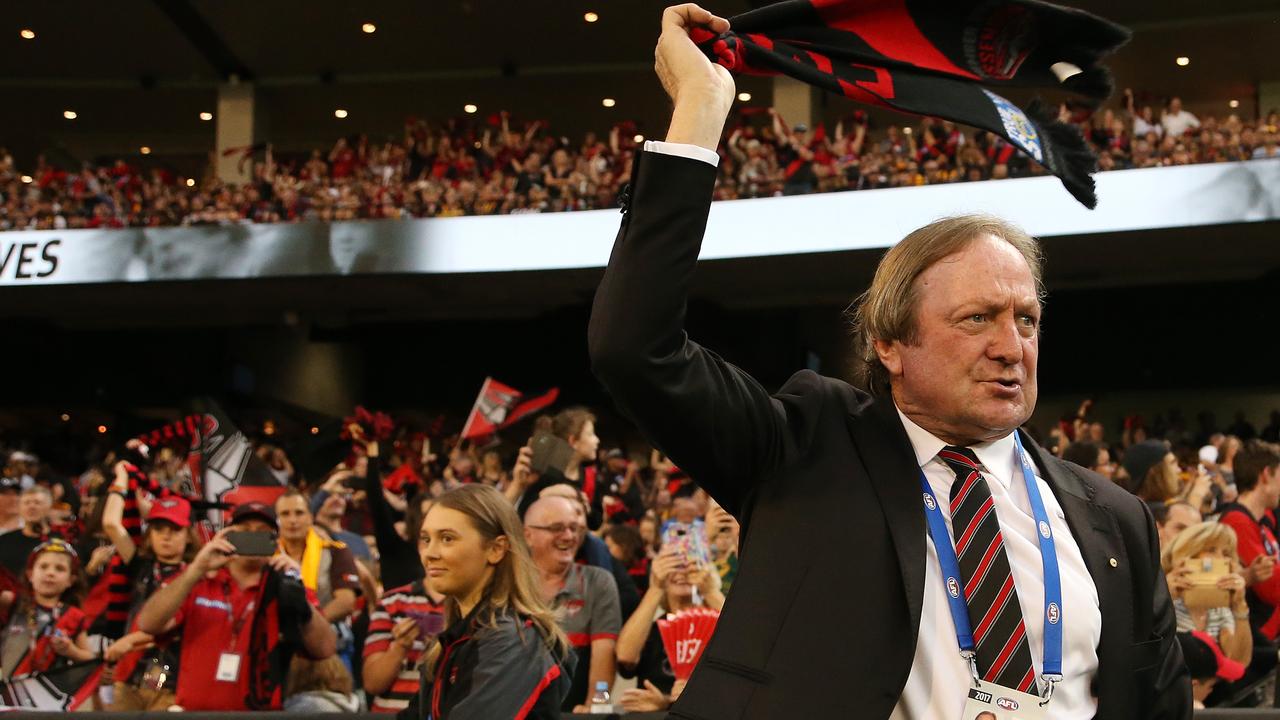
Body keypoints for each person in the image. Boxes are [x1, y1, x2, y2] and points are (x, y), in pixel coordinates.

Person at [586, 5, 1188, 718]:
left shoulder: (1116, 520)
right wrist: (700, 110)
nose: (1010, 345)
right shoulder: (804, 450)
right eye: (976, 319)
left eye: (1026, 318)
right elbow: (635, 348)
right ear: (891, 344)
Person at [134, 502, 336, 711]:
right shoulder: (199, 581)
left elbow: (325, 649)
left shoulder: (284, 587)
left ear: (274, 541)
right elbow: (148, 623)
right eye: (245, 531)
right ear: (228, 535)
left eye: (261, 533)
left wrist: (298, 595)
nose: (252, 537)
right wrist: (196, 568)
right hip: (196, 713)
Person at [405, 484, 574, 719]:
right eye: (426, 539)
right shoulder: (455, 640)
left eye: (447, 538)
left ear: (496, 549)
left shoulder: (514, 639)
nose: (430, 553)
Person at [100, 492, 197, 710]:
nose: (166, 536)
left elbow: (171, 622)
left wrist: (129, 640)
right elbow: (110, 524)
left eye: (175, 530)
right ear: (149, 534)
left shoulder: (196, 575)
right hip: (127, 678)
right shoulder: (141, 566)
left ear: (189, 535)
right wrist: (122, 480)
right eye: (158, 529)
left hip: (171, 684)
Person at [524, 495, 621, 712]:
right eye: (557, 528)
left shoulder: (598, 582)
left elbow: (604, 655)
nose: (568, 536)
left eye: (573, 528)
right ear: (528, 535)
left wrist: (597, 709)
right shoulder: (508, 585)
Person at [615, 541, 725, 712]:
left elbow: (746, 643)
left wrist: (710, 591)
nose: (682, 572)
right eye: (673, 565)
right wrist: (656, 587)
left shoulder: (717, 625)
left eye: (690, 564)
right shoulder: (653, 628)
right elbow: (625, 656)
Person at [275, 489, 361, 669]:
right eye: (285, 514)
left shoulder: (336, 551)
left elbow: (346, 602)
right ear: (277, 520)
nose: (292, 520)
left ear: (311, 517)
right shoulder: (268, 556)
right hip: (279, 645)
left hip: (328, 646)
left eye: (299, 513)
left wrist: (310, 625)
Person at [1161, 522, 1251, 665]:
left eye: (1226, 553)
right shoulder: (1160, 592)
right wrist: (1164, 598)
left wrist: (1240, 605)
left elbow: (1238, 662)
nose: (1222, 559)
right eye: (1211, 550)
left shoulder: (1219, 608)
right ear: (1188, 553)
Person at [1217, 441, 1280, 638]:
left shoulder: (1261, 520)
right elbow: (1271, 589)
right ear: (1266, 475)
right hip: (1260, 637)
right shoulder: (1237, 521)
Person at [361, 575, 445, 713]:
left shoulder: (471, 603)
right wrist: (400, 646)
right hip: (392, 714)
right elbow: (372, 684)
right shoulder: (392, 602)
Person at [0, 485, 54, 579]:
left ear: (49, 508)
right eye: (26, 503)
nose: (31, 506)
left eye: (37, 503)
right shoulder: (3, 540)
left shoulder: (60, 540)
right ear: (19, 508)